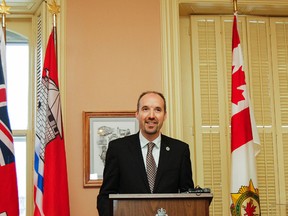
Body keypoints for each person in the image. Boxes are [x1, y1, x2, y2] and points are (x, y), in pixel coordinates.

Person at [97, 91, 194, 216]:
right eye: (145, 109)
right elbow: (105, 197)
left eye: (158, 110)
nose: (151, 116)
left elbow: (188, 199)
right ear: (137, 114)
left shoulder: (180, 150)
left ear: (165, 115)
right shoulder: (118, 149)